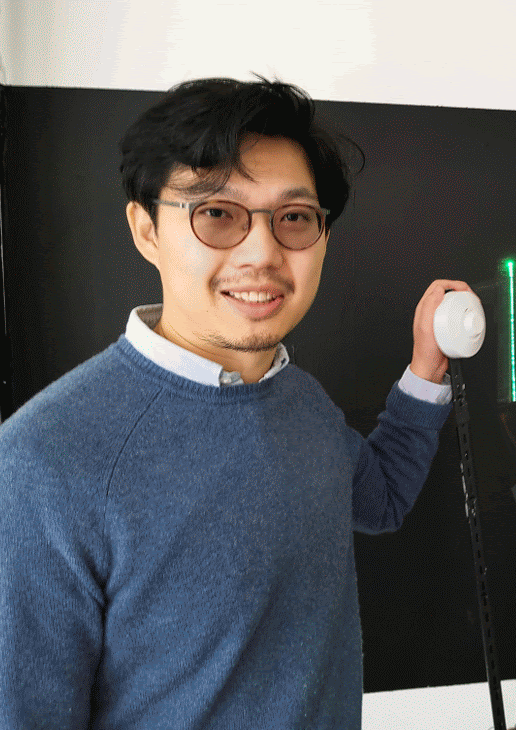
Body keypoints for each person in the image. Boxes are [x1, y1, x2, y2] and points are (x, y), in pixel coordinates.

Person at [0, 77, 469, 728]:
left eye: (294, 218)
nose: (262, 253)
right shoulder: (42, 461)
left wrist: (426, 367)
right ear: (146, 230)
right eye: (217, 213)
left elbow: (380, 499)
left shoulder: (301, 401)